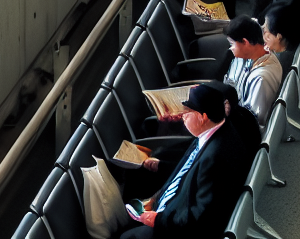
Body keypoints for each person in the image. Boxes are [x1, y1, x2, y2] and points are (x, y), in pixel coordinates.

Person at [115, 83, 258, 239]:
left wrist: (158, 220)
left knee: (126, 237)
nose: (182, 115)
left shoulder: (215, 158)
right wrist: (158, 185)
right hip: (172, 205)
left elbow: (201, 218)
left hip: (179, 228)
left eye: (187, 111)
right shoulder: (215, 130)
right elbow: (187, 173)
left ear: (203, 117)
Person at [221, 16, 282, 127]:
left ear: (245, 42)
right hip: (232, 107)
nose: (231, 48)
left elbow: (254, 122)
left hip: (244, 128)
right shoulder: (246, 56)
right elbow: (230, 82)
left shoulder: (261, 79)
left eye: (232, 44)